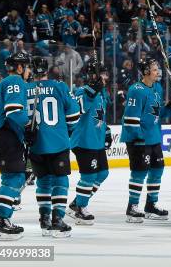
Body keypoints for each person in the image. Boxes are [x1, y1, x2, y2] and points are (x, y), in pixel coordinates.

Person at [121, 58, 171, 223]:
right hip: (138, 139)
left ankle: (150, 205)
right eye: (155, 69)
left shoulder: (157, 88)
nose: (158, 72)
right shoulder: (136, 90)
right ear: (146, 72)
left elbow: (158, 114)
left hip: (153, 137)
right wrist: (139, 139)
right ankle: (132, 208)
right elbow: (130, 119)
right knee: (139, 173)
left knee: (157, 170)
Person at [27, 57, 80, 237]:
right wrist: (67, 131)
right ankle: (58, 219)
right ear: (47, 69)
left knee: (43, 182)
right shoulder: (60, 86)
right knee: (60, 181)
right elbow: (74, 117)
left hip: (35, 146)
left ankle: (44, 219)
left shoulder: (25, 89)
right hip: (58, 142)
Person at [0, 52, 31, 240]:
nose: (28, 70)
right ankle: (0, 221)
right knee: (14, 177)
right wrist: (28, 126)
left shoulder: (4, 83)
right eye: (26, 66)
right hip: (5, 134)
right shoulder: (15, 81)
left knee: (15, 177)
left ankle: (2, 219)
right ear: (19, 67)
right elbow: (13, 112)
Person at [68, 60, 112, 224]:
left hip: (97, 140)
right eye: (102, 73)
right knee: (89, 176)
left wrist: (106, 133)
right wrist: (92, 91)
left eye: (106, 73)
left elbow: (102, 116)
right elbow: (79, 110)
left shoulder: (102, 93)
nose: (105, 77)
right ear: (93, 75)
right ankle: (80, 208)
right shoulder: (81, 91)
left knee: (103, 173)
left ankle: (77, 202)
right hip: (83, 140)